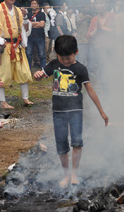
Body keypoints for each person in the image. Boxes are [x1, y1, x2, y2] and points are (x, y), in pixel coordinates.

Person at [33, 35, 108, 188]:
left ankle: (74, 173)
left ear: (77, 52)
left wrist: (101, 111)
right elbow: (40, 78)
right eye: (62, 58)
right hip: (58, 111)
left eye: (69, 58)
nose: (66, 61)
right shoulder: (53, 65)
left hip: (75, 110)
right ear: (56, 55)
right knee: (61, 144)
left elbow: (90, 90)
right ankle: (66, 175)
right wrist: (37, 76)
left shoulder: (80, 69)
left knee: (77, 142)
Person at [0, 0, 33, 109]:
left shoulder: (17, 11)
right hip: (4, 46)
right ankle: (3, 102)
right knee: (2, 74)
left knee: (24, 71)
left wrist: (25, 17)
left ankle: (26, 99)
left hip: (17, 46)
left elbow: (24, 28)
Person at [26, 0, 46, 70]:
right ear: (31, 5)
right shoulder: (27, 14)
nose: (33, 5)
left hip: (40, 37)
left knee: (41, 55)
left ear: (38, 5)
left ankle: (44, 71)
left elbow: (42, 25)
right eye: (32, 4)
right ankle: (28, 71)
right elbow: (26, 25)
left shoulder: (42, 14)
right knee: (28, 54)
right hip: (29, 37)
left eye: (35, 4)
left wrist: (31, 23)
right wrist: (37, 23)